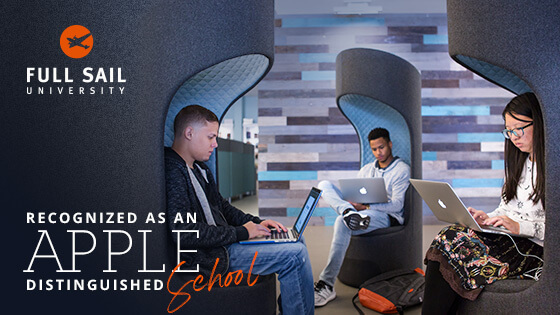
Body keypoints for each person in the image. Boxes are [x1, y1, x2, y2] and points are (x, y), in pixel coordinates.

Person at [165, 105, 314, 315]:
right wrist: (242, 232)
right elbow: (184, 231)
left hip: (222, 243)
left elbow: (223, 208)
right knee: (294, 256)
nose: (215, 144)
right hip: (210, 256)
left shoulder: (199, 169)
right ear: (189, 133)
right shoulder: (173, 171)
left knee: (295, 239)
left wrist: (256, 222)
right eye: (210, 137)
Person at [422, 92, 545, 314]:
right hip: (512, 239)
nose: (514, 136)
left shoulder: (552, 167)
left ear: (540, 121)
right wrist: (488, 218)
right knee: (449, 235)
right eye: (508, 131)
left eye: (519, 128)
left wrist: (520, 227)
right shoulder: (520, 163)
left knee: (452, 242)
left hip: (535, 249)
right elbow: (507, 208)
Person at [313, 127, 411, 307]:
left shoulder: (402, 170)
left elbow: (398, 204)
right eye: (374, 149)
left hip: (386, 216)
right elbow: (356, 193)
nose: (378, 153)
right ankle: (347, 211)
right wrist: (352, 204)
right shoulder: (366, 169)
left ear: (389, 144)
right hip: (362, 213)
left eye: (381, 147)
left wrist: (366, 206)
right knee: (323, 184)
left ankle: (326, 285)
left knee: (341, 222)